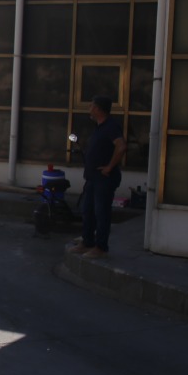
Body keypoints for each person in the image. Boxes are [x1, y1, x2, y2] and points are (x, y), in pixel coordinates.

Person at [77, 95, 126, 257]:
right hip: (92, 177)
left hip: (104, 178)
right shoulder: (99, 127)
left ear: (98, 109)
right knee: (87, 210)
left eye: (92, 106)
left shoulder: (111, 126)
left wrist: (109, 167)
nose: (89, 109)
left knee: (101, 212)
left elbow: (121, 146)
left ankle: (101, 247)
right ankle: (87, 242)